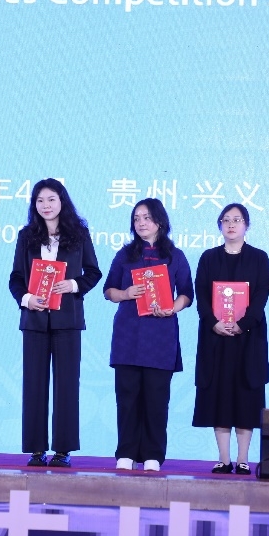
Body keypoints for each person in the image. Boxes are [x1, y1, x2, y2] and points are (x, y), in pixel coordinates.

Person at [8, 179, 103, 468]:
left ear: (62, 201)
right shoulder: (27, 236)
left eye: (51, 199)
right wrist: (27, 299)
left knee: (66, 386)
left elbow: (94, 272)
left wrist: (72, 284)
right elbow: (16, 278)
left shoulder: (78, 234)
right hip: (34, 320)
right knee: (34, 385)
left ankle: (63, 450)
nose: (45, 205)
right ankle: (36, 449)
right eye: (40, 200)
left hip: (67, 320)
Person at [103, 198, 192, 472]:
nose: (141, 223)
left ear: (160, 221)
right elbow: (108, 290)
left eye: (147, 217)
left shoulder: (175, 256)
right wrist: (125, 293)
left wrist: (173, 307)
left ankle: (153, 454)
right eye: (136, 218)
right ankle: (126, 452)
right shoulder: (125, 254)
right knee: (127, 397)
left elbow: (187, 293)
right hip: (128, 334)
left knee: (156, 398)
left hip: (161, 335)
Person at [192, 203, 269, 476]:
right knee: (219, 396)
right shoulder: (208, 258)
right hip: (215, 339)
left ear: (246, 225)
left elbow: (261, 297)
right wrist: (214, 323)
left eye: (237, 220)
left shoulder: (259, 258)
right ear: (220, 226)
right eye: (226, 220)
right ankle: (224, 459)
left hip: (248, 338)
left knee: (246, 396)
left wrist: (242, 325)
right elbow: (201, 295)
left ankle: (243, 459)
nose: (231, 225)